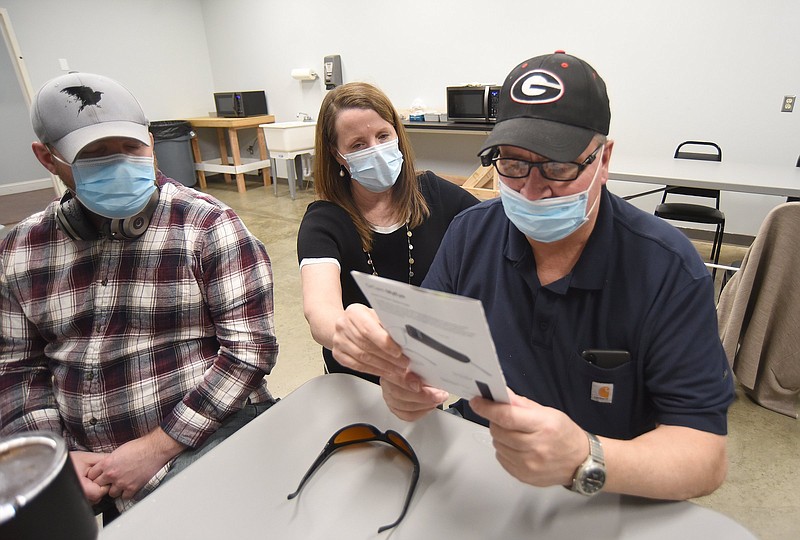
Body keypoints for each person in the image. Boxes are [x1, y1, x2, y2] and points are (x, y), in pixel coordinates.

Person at [330, 52, 734, 500]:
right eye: (513, 164)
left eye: (558, 167)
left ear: (604, 160)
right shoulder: (471, 235)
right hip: (481, 474)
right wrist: (404, 384)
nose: (531, 189)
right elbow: (428, 365)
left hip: (608, 492)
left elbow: (705, 456)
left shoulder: (666, 269)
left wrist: (586, 459)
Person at [0, 72, 279, 514]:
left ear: (151, 142)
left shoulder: (207, 227)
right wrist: (52, 458)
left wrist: (156, 447)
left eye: (132, 148)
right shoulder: (20, 249)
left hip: (197, 437)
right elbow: (15, 368)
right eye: (94, 155)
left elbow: (251, 351)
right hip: (81, 463)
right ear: (48, 158)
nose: (119, 164)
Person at [296, 82, 478, 383]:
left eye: (383, 136)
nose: (376, 150)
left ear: (397, 133)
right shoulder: (324, 221)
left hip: (420, 380)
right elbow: (320, 313)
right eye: (358, 145)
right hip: (355, 385)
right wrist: (354, 334)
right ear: (337, 155)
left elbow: (495, 229)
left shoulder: (434, 194)